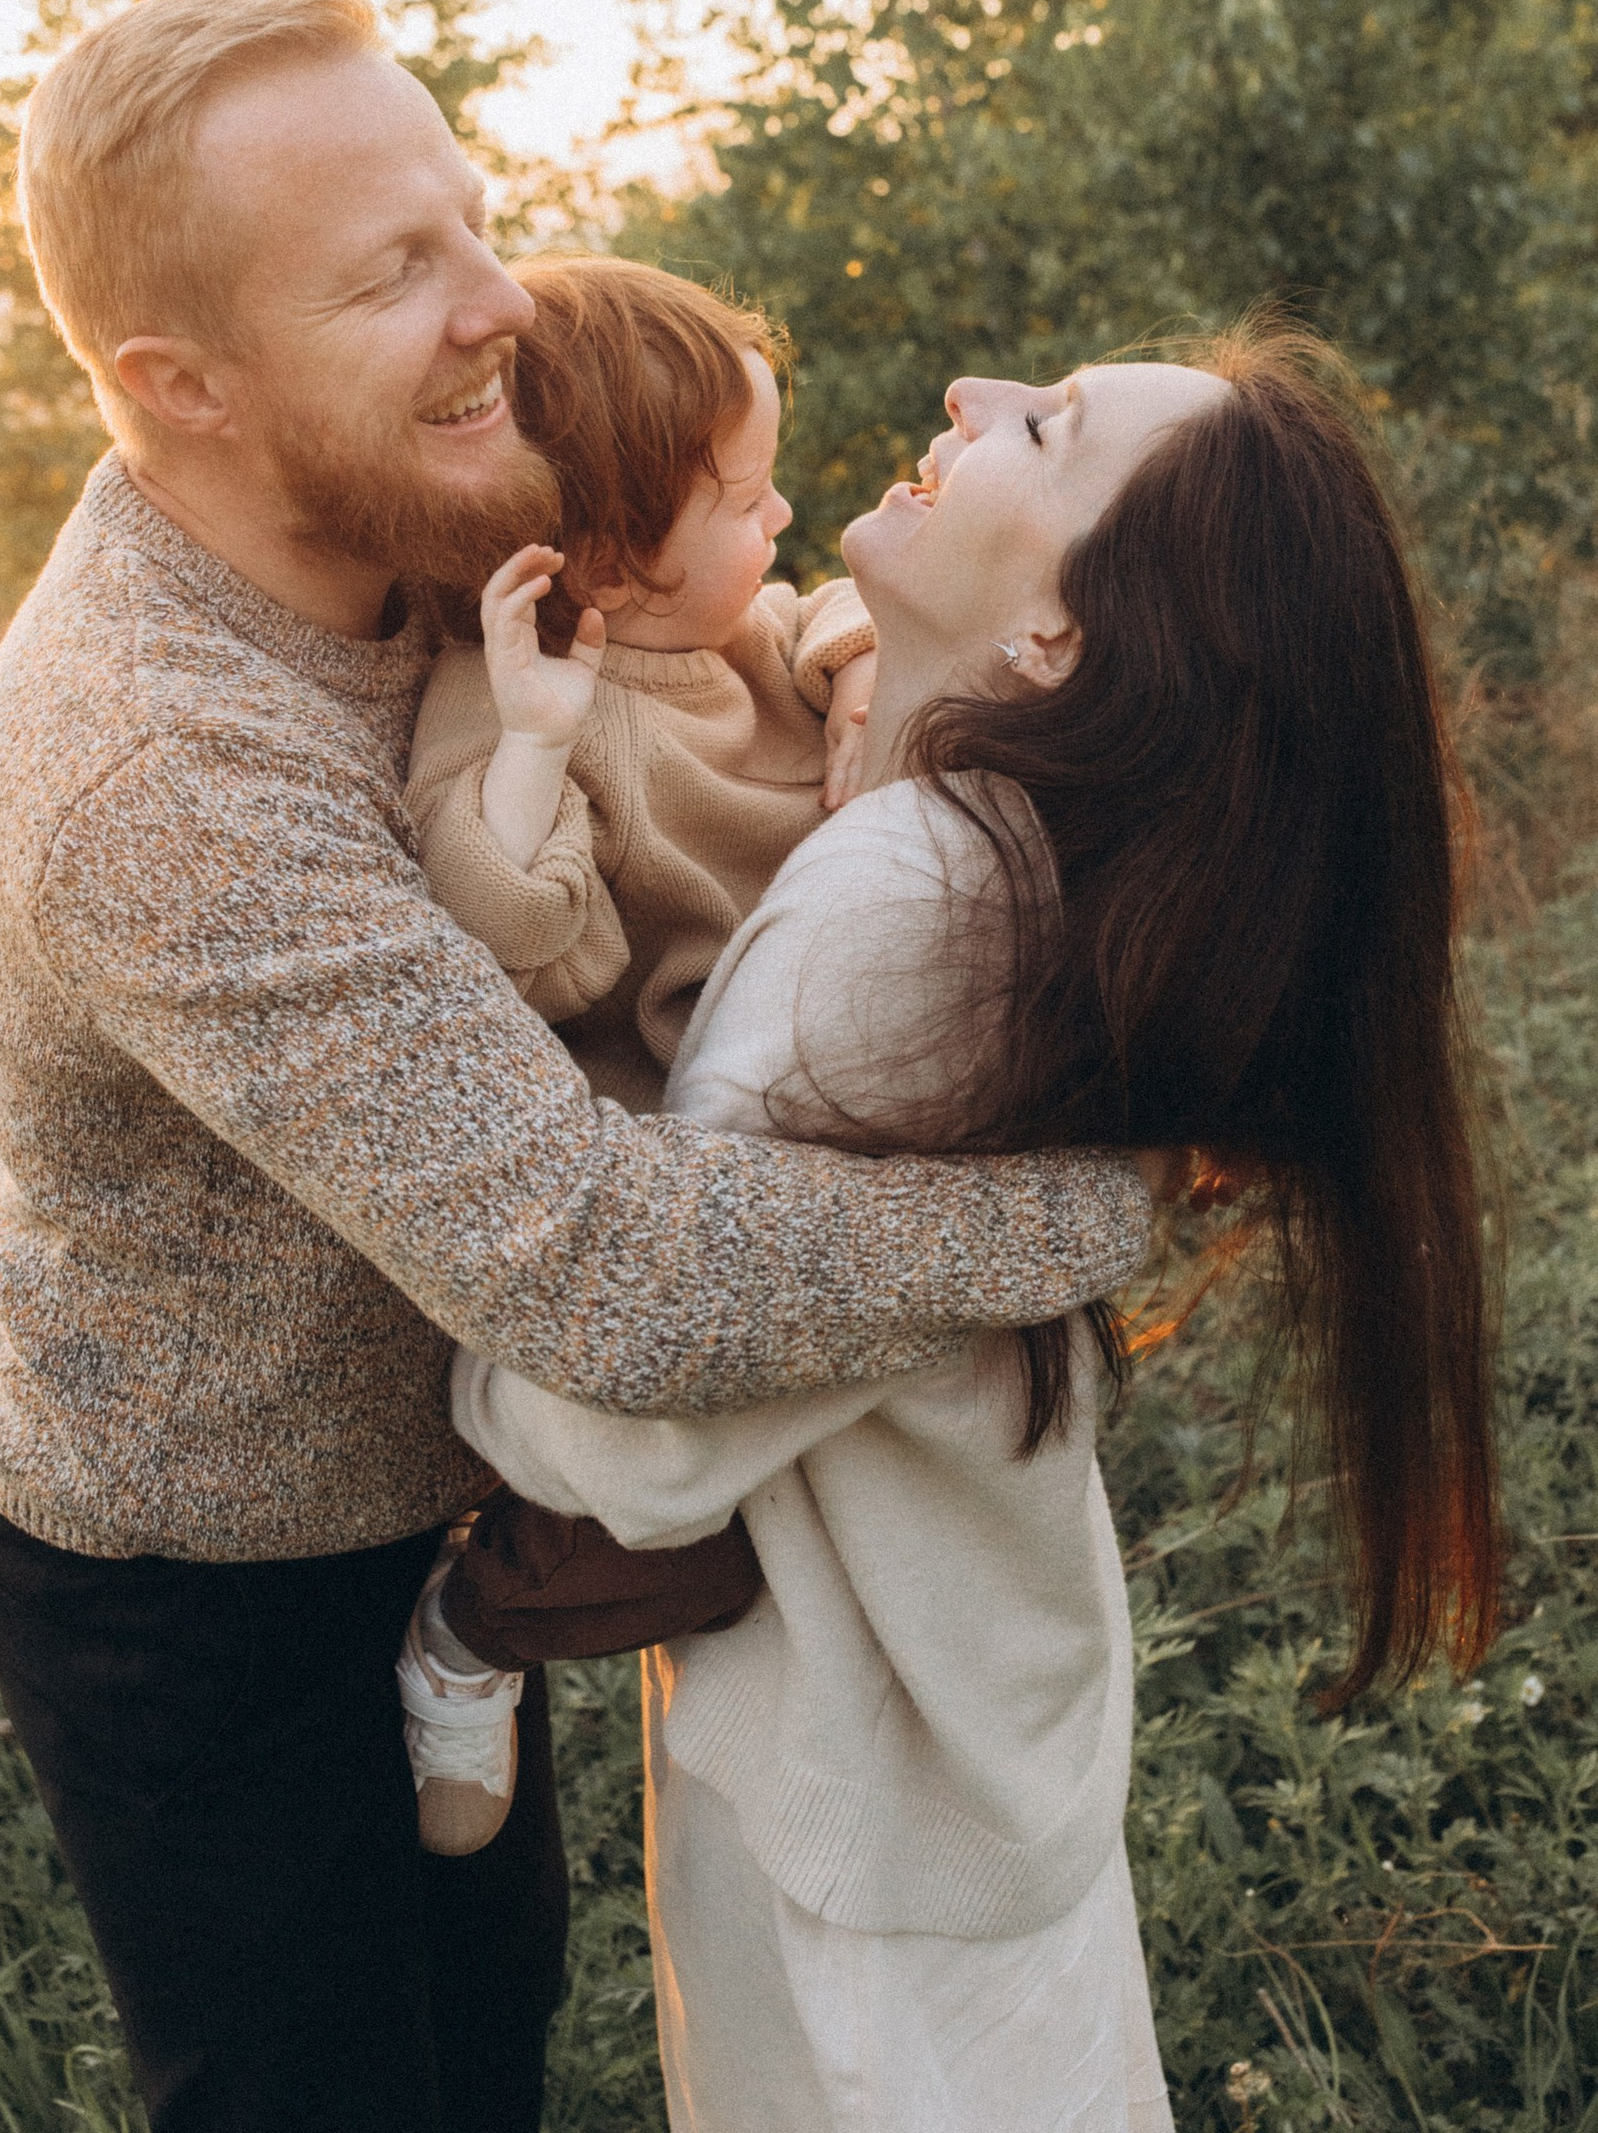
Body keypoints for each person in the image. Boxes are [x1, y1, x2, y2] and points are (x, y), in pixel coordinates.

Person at [0, 0, 1153, 2133]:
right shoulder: (152, 777)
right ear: (179, 385)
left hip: (434, 1493)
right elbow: (594, 1263)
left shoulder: (409, 516)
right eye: (395, 268)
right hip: (204, 1579)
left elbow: (693, 632)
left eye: (471, 220)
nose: (500, 300)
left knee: (481, 2040)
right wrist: (1108, 1198)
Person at [443, 334, 1502, 2131]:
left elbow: (631, 1426)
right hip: (962, 1755)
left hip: (867, 1840)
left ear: (1061, 643)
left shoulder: (904, 908)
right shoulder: (997, 859)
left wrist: (483, 1379)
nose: (969, 401)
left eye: (1049, 428)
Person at [396, 254, 879, 1850]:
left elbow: (841, 604)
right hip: (655, 1190)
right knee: (675, 1534)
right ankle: (476, 1628)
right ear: (605, 552)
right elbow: (501, 934)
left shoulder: (740, 630)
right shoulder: (526, 699)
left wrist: (859, 652)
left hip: (799, 1125)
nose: (783, 519)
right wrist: (535, 746)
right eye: (744, 496)